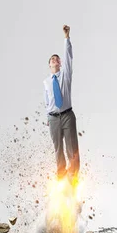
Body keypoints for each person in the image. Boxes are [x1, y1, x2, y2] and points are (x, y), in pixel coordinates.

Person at [43, 24, 80, 184]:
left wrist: (67, 38)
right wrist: (48, 116)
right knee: (58, 150)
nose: (55, 59)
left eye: (57, 58)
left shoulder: (65, 76)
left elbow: (69, 57)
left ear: (60, 63)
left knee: (71, 149)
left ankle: (73, 179)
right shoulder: (46, 82)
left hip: (67, 115)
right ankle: (61, 179)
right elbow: (47, 101)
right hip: (53, 119)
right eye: (52, 59)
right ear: (49, 65)